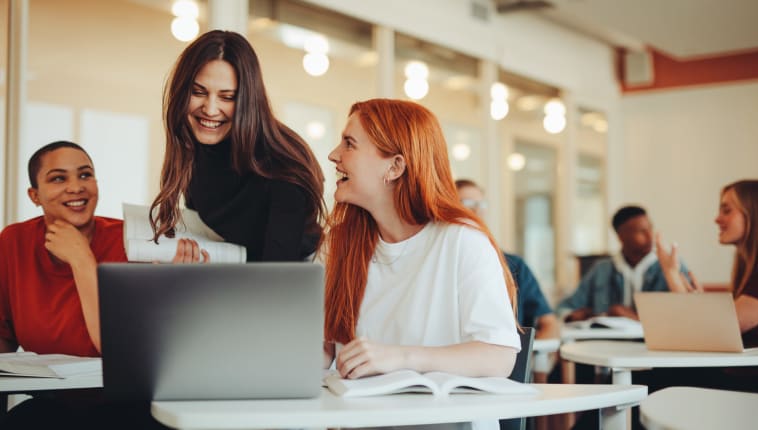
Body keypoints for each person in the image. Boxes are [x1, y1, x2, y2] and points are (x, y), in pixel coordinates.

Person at [324, 99, 519, 429]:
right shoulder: (338, 245)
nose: (333, 155)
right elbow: (325, 351)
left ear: (395, 167)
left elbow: (499, 355)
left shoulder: (462, 240)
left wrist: (400, 358)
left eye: (349, 144)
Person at [0, 141, 172, 429]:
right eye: (58, 178)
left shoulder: (135, 243)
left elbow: (119, 350)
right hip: (52, 404)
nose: (76, 187)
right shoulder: (13, 241)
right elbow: (3, 335)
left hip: (127, 406)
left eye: (85, 175)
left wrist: (82, 260)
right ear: (35, 195)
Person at [150, 30, 325, 262]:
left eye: (227, 97)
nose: (210, 109)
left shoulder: (282, 167)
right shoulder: (197, 150)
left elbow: (275, 281)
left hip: (288, 285)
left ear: (248, 100)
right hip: (237, 279)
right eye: (198, 92)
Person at [655, 179, 758, 394]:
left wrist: (672, 274)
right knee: (655, 379)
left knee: (653, 383)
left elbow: (711, 333)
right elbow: (711, 329)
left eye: (727, 210)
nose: (717, 218)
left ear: (756, 215)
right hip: (750, 376)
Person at [455, 179, 558, 340]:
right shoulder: (442, 264)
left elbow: (549, 322)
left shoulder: (514, 265)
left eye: (482, 204)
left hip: (509, 359)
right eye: (467, 203)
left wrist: (530, 357)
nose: (476, 210)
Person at [556, 205, 691, 322]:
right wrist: (571, 316)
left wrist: (632, 317)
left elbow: (686, 317)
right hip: (606, 346)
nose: (650, 236)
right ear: (621, 236)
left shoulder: (671, 266)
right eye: (641, 231)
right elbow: (564, 308)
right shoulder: (602, 270)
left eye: (650, 228)